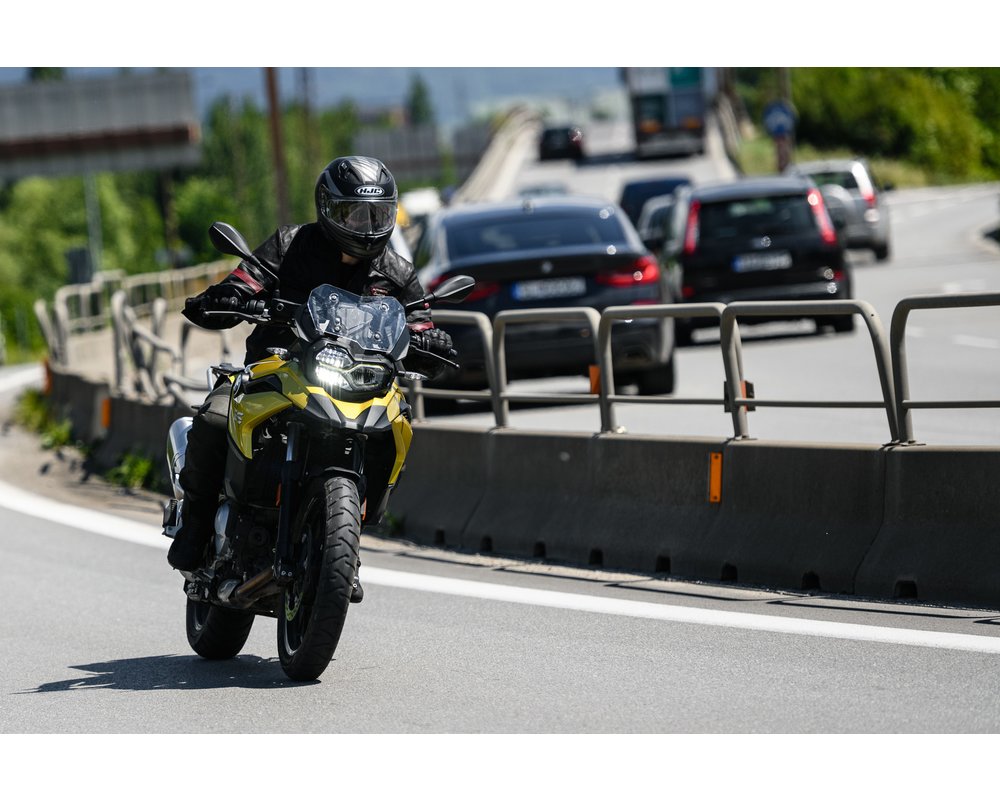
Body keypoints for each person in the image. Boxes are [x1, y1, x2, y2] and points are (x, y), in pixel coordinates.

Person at [166, 156, 455, 604]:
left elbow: (419, 322)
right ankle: (195, 529)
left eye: (377, 215)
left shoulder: (396, 272)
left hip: (360, 381)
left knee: (397, 425)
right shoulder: (289, 245)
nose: (366, 226)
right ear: (327, 209)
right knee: (214, 416)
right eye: (354, 214)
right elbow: (245, 279)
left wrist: (433, 341)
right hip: (278, 368)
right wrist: (232, 296)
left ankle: (345, 546)